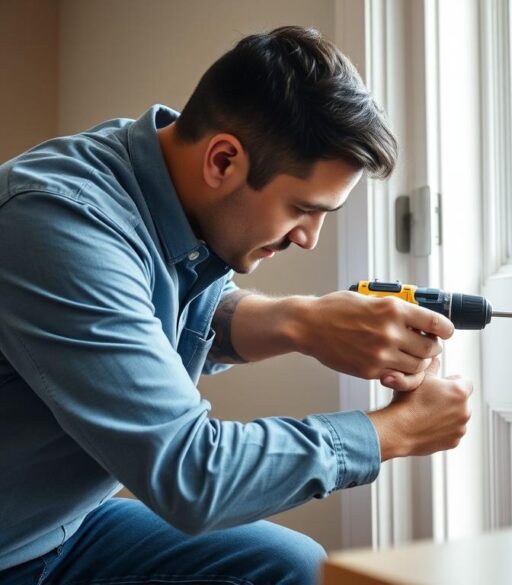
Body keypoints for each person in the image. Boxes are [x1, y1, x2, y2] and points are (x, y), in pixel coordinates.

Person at [0, 26, 472, 585]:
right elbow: (192, 475)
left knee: (295, 566)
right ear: (223, 160)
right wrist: (393, 432)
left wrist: (305, 322)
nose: (309, 238)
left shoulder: (149, 185)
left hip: (63, 524)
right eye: (303, 208)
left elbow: (178, 313)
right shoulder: (59, 225)